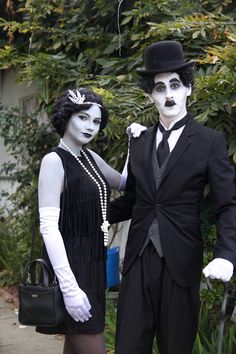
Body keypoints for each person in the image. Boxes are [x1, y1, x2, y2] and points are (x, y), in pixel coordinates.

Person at [109, 40, 236, 354]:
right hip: (138, 259)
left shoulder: (210, 142)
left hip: (180, 261)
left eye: (175, 85)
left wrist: (226, 254)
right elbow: (135, 199)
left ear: (188, 90)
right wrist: (92, 212)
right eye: (160, 87)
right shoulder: (138, 142)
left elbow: (228, 204)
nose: (168, 94)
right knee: (128, 346)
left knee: (175, 347)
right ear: (150, 95)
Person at [36, 87, 127, 354]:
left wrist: (138, 144)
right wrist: (69, 286)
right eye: (83, 118)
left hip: (93, 265)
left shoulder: (90, 158)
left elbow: (126, 183)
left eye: (96, 121)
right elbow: (48, 227)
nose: (90, 127)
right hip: (71, 268)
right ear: (67, 117)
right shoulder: (54, 161)